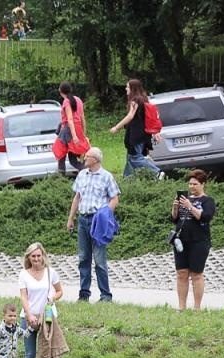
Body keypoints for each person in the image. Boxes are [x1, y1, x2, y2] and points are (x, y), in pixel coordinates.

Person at [66, 147, 119, 303]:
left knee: (99, 260)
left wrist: (105, 214)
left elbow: (115, 199)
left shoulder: (106, 177)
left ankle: (105, 296)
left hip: (98, 222)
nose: (84, 158)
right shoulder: (82, 175)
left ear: (95, 160)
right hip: (83, 220)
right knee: (83, 258)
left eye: (87, 156)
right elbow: (77, 197)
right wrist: (71, 218)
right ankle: (84, 294)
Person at [17, 242, 64, 358]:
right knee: (30, 354)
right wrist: (29, 315)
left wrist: (53, 298)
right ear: (28, 258)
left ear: (43, 256)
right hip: (29, 317)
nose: (36, 259)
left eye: (38, 255)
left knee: (46, 353)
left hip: (47, 317)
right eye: (33, 256)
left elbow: (60, 291)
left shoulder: (51, 272)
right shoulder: (24, 274)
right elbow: (23, 296)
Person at [170, 169, 216, 311]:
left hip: (199, 241)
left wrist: (190, 207)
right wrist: (175, 207)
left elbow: (205, 217)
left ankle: (197, 308)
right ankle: (181, 307)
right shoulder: (185, 199)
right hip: (181, 240)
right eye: (190, 184)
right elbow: (174, 219)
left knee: (196, 274)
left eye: (195, 184)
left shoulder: (208, 201)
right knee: (181, 273)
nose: (191, 187)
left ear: (203, 184)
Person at [109, 78, 163, 179]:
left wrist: (117, 127)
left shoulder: (135, 100)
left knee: (135, 158)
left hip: (136, 135)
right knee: (130, 158)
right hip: (142, 134)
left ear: (133, 88)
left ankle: (156, 172)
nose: (126, 89)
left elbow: (130, 116)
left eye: (127, 87)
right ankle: (127, 179)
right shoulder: (143, 99)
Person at [53, 83, 88, 178]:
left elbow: (70, 119)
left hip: (68, 130)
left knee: (60, 153)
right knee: (73, 157)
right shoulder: (78, 100)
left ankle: (61, 179)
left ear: (60, 91)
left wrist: (74, 136)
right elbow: (82, 118)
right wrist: (83, 134)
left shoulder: (66, 101)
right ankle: (85, 170)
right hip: (78, 128)